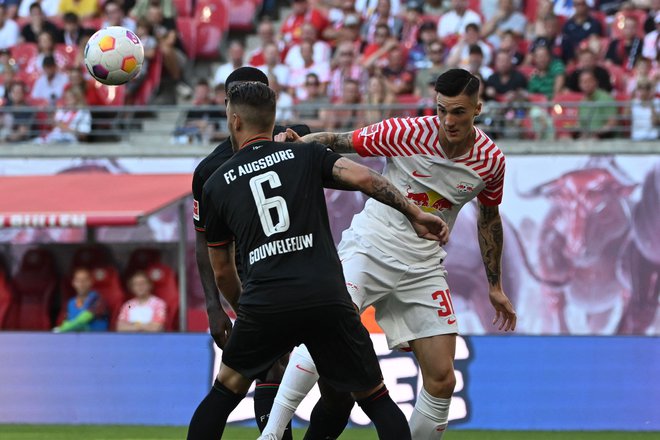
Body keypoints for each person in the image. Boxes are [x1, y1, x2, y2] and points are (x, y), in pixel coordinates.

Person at [261, 69, 517, 440]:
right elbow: (339, 141)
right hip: (370, 247)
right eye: (442, 109)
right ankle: (270, 434)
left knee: (443, 379)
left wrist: (495, 285)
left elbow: (489, 219)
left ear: (478, 108)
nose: (448, 121)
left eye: (459, 112)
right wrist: (298, 145)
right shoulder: (407, 132)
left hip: (423, 266)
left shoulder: (491, 161)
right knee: (325, 329)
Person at [187, 81, 448, 440]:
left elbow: (222, 269)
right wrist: (415, 214)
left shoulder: (216, 183)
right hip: (325, 295)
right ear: (273, 119)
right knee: (376, 399)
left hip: (266, 300)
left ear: (234, 121)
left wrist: (244, 309)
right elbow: (363, 177)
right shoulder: (304, 155)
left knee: (223, 393)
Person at [191, 67, 312, 440]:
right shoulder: (210, 170)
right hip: (252, 281)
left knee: (243, 379)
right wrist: (216, 306)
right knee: (265, 371)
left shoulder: (292, 140)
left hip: (297, 273)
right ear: (229, 106)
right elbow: (204, 242)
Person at [54, 268, 109, 332]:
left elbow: (83, 319)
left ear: (91, 282)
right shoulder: (70, 303)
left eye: (85, 280)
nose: (81, 284)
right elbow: (66, 322)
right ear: (73, 283)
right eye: (78, 281)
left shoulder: (98, 300)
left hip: (96, 338)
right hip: (74, 339)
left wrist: (62, 329)